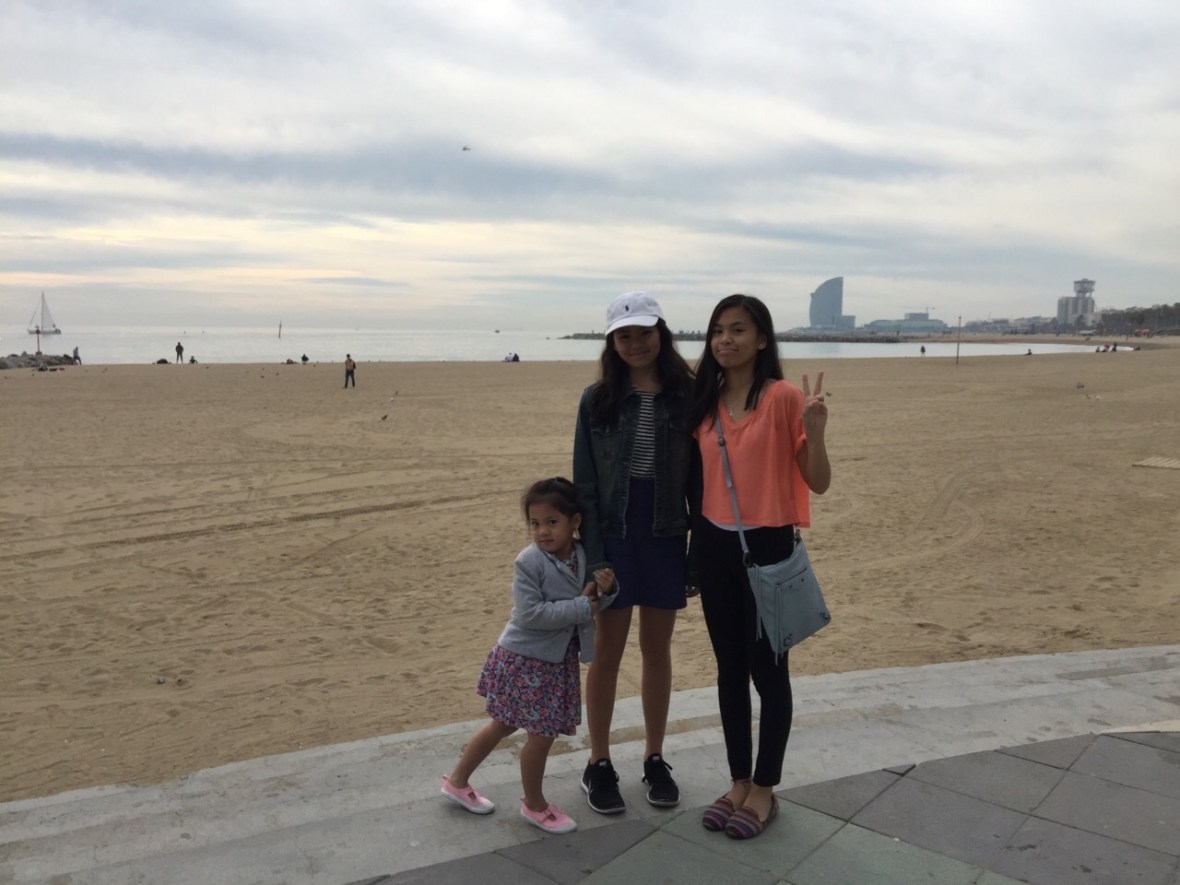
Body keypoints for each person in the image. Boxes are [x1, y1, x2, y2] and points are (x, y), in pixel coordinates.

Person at [688, 293, 830, 840]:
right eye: (718, 330)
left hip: (768, 546)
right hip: (713, 546)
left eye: (738, 329)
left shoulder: (783, 398)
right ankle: (738, 781)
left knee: (769, 672)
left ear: (762, 339)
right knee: (729, 669)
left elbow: (818, 481)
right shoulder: (705, 399)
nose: (725, 340)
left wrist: (815, 433)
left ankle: (766, 788)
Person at [572, 291, 696, 815]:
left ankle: (654, 757)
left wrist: (694, 554)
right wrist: (596, 556)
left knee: (657, 649)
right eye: (624, 335)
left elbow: (702, 482)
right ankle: (598, 761)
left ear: (661, 333)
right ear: (612, 342)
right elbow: (584, 485)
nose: (636, 343)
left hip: (666, 532)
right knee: (607, 653)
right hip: (615, 534)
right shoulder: (597, 398)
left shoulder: (688, 395)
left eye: (644, 332)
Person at [442, 478, 617, 834]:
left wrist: (609, 591)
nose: (542, 531)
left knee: (505, 724)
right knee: (539, 736)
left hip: (553, 663)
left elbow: (591, 604)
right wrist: (581, 606)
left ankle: (457, 781)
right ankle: (534, 805)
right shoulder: (528, 562)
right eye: (535, 523)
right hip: (524, 660)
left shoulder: (583, 556)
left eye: (552, 522)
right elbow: (531, 614)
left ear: (575, 522)